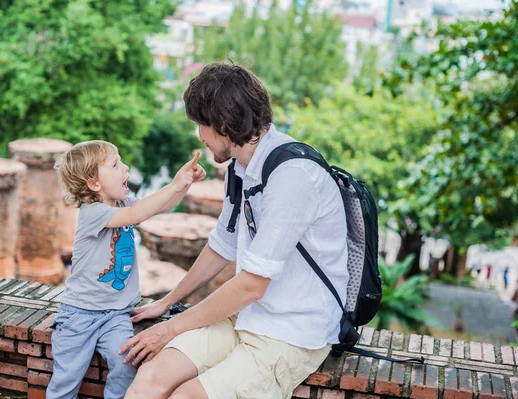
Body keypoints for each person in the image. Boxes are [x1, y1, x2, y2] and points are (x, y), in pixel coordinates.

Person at [121, 63, 349, 399]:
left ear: (223, 125)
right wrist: (168, 302)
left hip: (291, 332)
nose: (199, 135)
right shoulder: (241, 168)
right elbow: (222, 245)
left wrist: (169, 328)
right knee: (150, 377)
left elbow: (250, 286)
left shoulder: (292, 177)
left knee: (186, 396)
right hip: (245, 318)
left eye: (201, 125)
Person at [46, 140, 206, 399]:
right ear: (94, 183)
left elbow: (158, 206)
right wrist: (174, 185)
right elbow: (138, 214)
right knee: (66, 380)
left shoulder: (124, 204)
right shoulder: (93, 213)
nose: (126, 169)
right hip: (79, 316)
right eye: (116, 164)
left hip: (116, 315)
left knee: (126, 362)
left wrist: (184, 182)